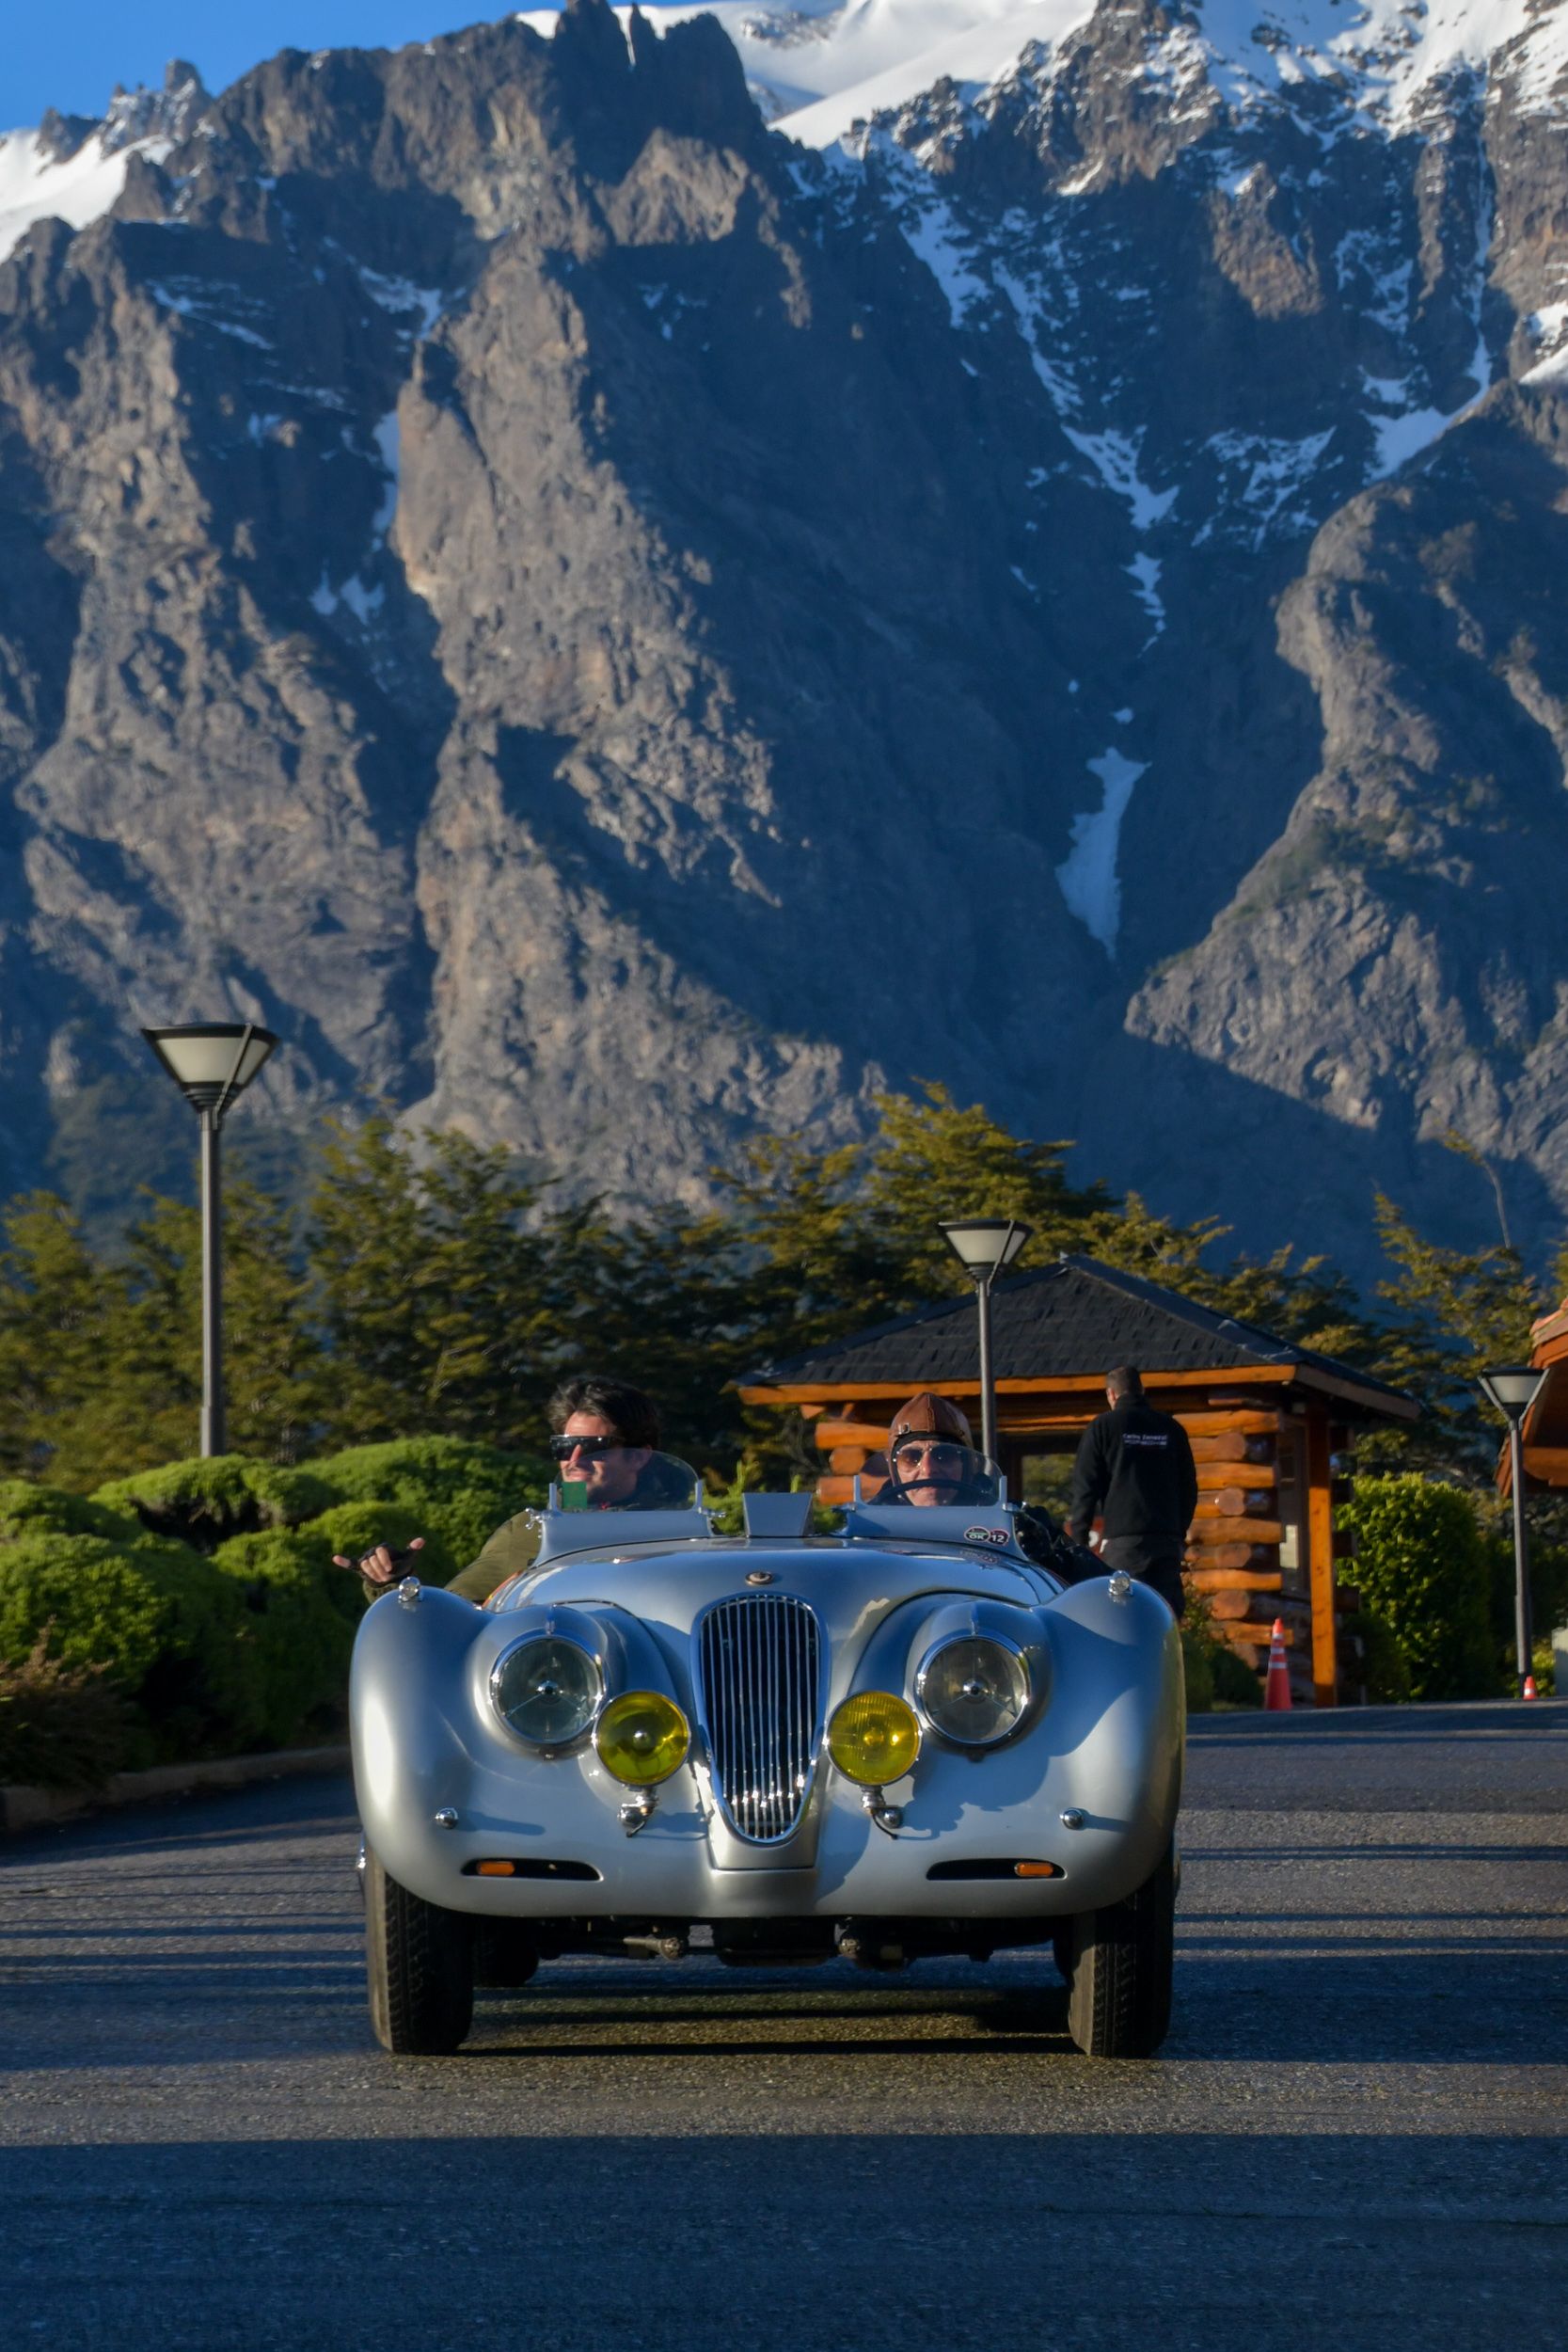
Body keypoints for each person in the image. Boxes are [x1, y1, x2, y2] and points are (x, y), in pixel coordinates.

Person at [337, 1375, 684, 1605]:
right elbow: (456, 1612)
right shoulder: (532, 1531)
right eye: (564, 1447)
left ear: (639, 1457)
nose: (573, 1461)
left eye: (592, 1448)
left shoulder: (688, 1532)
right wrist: (395, 1583)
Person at [1068, 1364, 1196, 1617]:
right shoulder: (1171, 1429)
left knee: (1125, 1616)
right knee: (1166, 1618)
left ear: (1111, 1395)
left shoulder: (1103, 1427)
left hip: (1124, 1544)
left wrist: (1078, 1544)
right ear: (1142, 1390)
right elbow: (1189, 1488)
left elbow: (1086, 1488)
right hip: (1166, 1542)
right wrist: (1178, 1532)